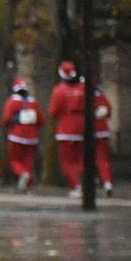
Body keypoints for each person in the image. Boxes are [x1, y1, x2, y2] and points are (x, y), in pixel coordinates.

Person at [49, 61, 88, 195]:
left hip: (66, 126)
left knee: (66, 161)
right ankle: (85, 182)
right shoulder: (82, 88)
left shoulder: (59, 90)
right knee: (79, 158)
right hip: (81, 125)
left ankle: (77, 186)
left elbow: (53, 111)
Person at [0, 76, 42, 191]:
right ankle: (27, 180)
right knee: (29, 160)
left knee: (14, 159)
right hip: (32, 136)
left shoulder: (12, 102)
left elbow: (6, 119)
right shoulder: (33, 103)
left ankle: (22, 173)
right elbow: (40, 120)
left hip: (16, 135)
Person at [91, 87, 115, 195]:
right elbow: (107, 111)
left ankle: (92, 180)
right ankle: (107, 181)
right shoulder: (101, 96)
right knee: (102, 159)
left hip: (87, 131)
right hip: (102, 130)